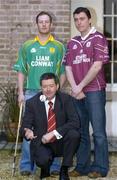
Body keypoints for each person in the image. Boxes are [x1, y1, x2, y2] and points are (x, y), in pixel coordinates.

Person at [13, 11, 66, 175]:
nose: (44, 24)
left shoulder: (58, 46)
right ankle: (27, 166)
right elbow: (21, 70)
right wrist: (21, 92)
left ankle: (55, 166)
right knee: (29, 130)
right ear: (37, 24)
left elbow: (63, 72)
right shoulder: (27, 46)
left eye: (46, 22)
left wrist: (57, 90)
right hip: (31, 93)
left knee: (54, 129)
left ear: (51, 24)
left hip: (52, 94)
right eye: (41, 22)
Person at [63, 7, 109, 178]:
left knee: (98, 132)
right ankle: (81, 166)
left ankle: (99, 167)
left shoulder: (98, 38)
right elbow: (67, 66)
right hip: (77, 92)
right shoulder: (72, 42)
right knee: (81, 131)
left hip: (94, 91)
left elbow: (97, 66)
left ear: (90, 19)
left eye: (82, 18)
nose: (78, 22)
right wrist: (75, 88)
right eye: (76, 19)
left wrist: (80, 86)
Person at [20, 72, 80, 180]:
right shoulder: (32, 103)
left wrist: (53, 133)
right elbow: (24, 126)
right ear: (41, 88)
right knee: (42, 160)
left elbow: (75, 122)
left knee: (74, 134)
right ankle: (45, 168)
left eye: (51, 86)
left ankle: (64, 169)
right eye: (45, 86)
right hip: (42, 142)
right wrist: (27, 131)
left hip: (60, 140)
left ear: (57, 86)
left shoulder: (66, 99)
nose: (48, 89)